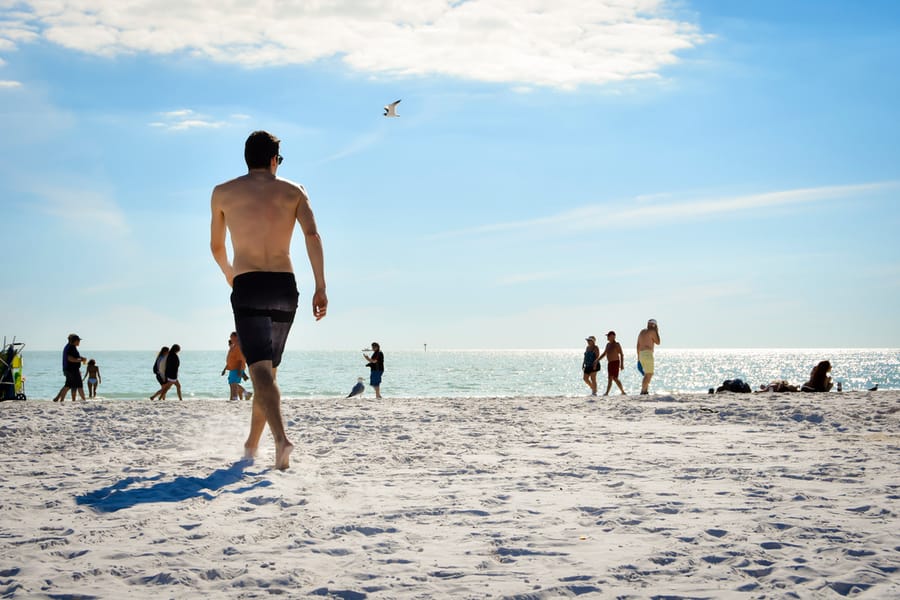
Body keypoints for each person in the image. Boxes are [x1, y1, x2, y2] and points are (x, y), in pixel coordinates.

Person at [210, 130, 328, 470]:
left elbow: (217, 247)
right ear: (274, 159)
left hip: (248, 283)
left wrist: (231, 276)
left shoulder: (223, 193)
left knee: (261, 371)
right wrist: (320, 286)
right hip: (283, 285)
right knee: (267, 373)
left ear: (248, 158)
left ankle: (281, 441)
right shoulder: (294, 192)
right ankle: (251, 444)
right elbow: (312, 235)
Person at [52, 334, 87, 402]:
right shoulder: (71, 347)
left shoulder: (69, 347)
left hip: (70, 369)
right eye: (78, 341)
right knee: (79, 385)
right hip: (72, 370)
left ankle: (60, 399)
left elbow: (73, 357)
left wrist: (80, 358)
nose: (79, 342)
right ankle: (84, 400)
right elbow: (70, 358)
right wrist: (81, 360)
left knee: (68, 385)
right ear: (75, 341)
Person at [222, 332, 251, 401]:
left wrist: (239, 370)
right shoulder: (234, 346)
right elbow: (231, 359)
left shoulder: (238, 347)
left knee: (234, 384)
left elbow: (240, 360)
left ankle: (235, 398)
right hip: (233, 369)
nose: (230, 338)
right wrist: (225, 369)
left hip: (236, 369)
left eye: (232, 337)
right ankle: (234, 398)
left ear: (236, 337)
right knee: (232, 384)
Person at [636, 318, 661, 395]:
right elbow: (658, 342)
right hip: (648, 353)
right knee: (649, 373)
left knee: (647, 373)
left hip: (641, 354)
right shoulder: (652, 331)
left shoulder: (642, 332)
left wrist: (638, 357)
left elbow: (638, 345)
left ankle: (645, 390)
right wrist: (656, 331)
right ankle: (643, 391)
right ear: (654, 325)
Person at [598, 331, 627, 395]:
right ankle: (608, 392)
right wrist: (598, 360)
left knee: (614, 378)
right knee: (610, 378)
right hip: (610, 363)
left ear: (612, 337)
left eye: (608, 336)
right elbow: (604, 353)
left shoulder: (617, 344)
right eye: (607, 336)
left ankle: (622, 391)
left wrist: (622, 364)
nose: (607, 337)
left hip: (615, 362)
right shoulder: (608, 344)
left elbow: (621, 354)